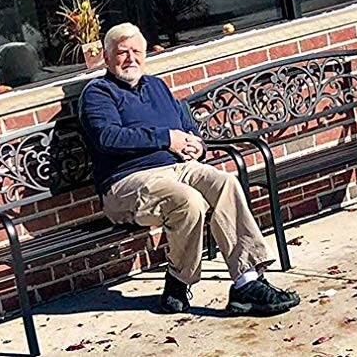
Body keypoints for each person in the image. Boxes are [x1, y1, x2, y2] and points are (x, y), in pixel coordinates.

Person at [78, 23, 300, 315]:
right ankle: (179, 280)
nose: (130, 59)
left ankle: (247, 283)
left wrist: (197, 146)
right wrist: (166, 138)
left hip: (176, 168)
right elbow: (108, 138)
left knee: (224, 183)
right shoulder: (98, 93)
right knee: (188, 201)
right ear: (107, 58)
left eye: (136, 51)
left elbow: (186, 128)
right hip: (126, 183)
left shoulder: (157, 86)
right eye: (122, 53)